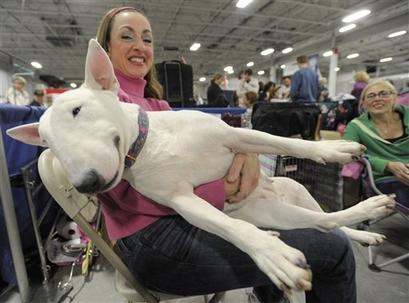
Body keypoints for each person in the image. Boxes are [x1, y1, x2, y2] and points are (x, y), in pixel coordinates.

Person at [96, 7, 357, 303]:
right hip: (154, 242)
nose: (140, 47)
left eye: (147, 39)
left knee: (279, 225)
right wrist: (224, 189)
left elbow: (195, 162)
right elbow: (127, 194)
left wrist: (244, 155)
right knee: (335, 247)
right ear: (104, 48)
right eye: (126, 36)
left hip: (180, 224)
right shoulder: (106, 106)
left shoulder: (157, 106)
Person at [343, 79, 409, 206]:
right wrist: (387, 165)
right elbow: (348, 152)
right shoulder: (356, 126)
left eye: (384, 94)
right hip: (386, 178)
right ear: (363, 103)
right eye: (371, 96)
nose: (377, 99)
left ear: (394, 97)